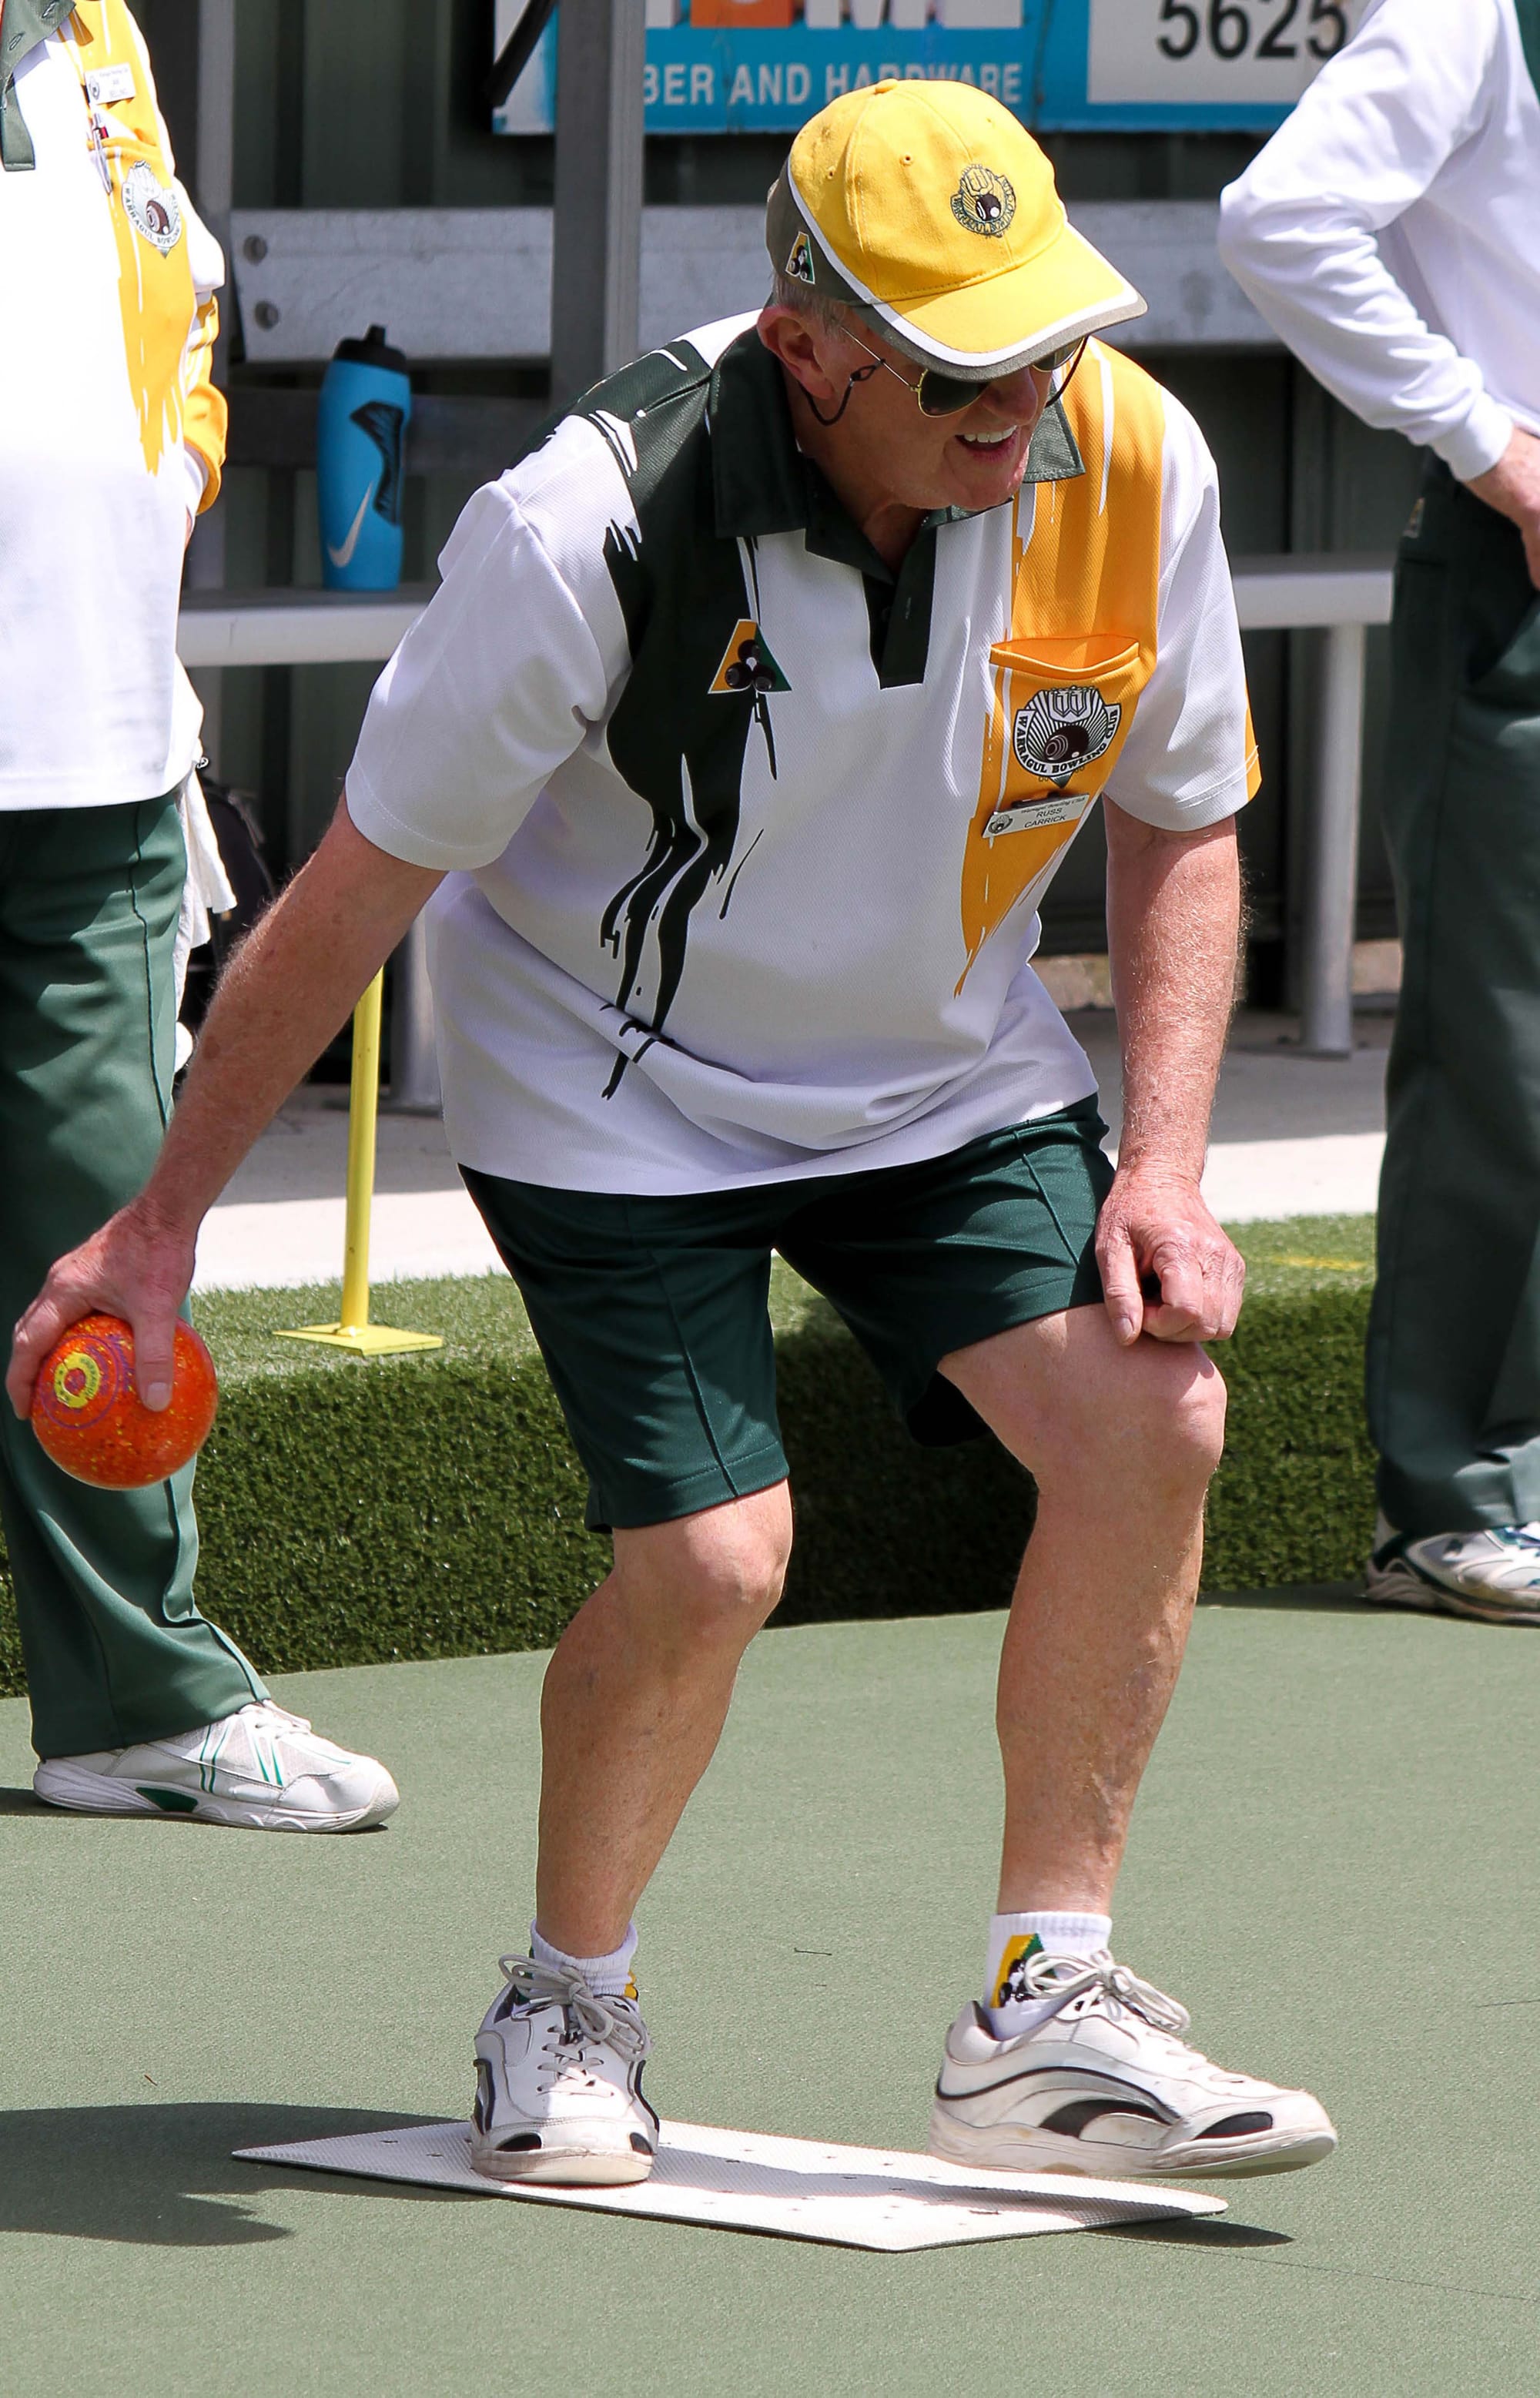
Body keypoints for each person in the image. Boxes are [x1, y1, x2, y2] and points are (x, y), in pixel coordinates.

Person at [10, 81, 1335, 2180]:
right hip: (614, 1077)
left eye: (1044, 334)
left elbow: (1182, 820)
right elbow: (357, 884)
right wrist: (160, 1227)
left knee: (1151, 1417)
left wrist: (1163, 1164)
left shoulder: (1133, 461)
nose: (1021, 398)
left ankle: (1043, 1998)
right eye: (958, 361)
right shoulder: (586, 523)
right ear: (808, 344)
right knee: (718, 1564)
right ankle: (569, 1998)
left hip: (944, 1063)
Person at [0, 0, 397, 1828]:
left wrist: (171, 480)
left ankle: (135, 1699)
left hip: (87, 742)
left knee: (98, 1248)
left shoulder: (95, 26)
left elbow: (174, 293)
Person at [1220, 0, 1540, 1626]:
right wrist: (1496, 447)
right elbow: (1278, 220)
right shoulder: (1467, 15)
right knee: (1510, 1051)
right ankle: (1456, 1501)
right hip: (1522, 573)